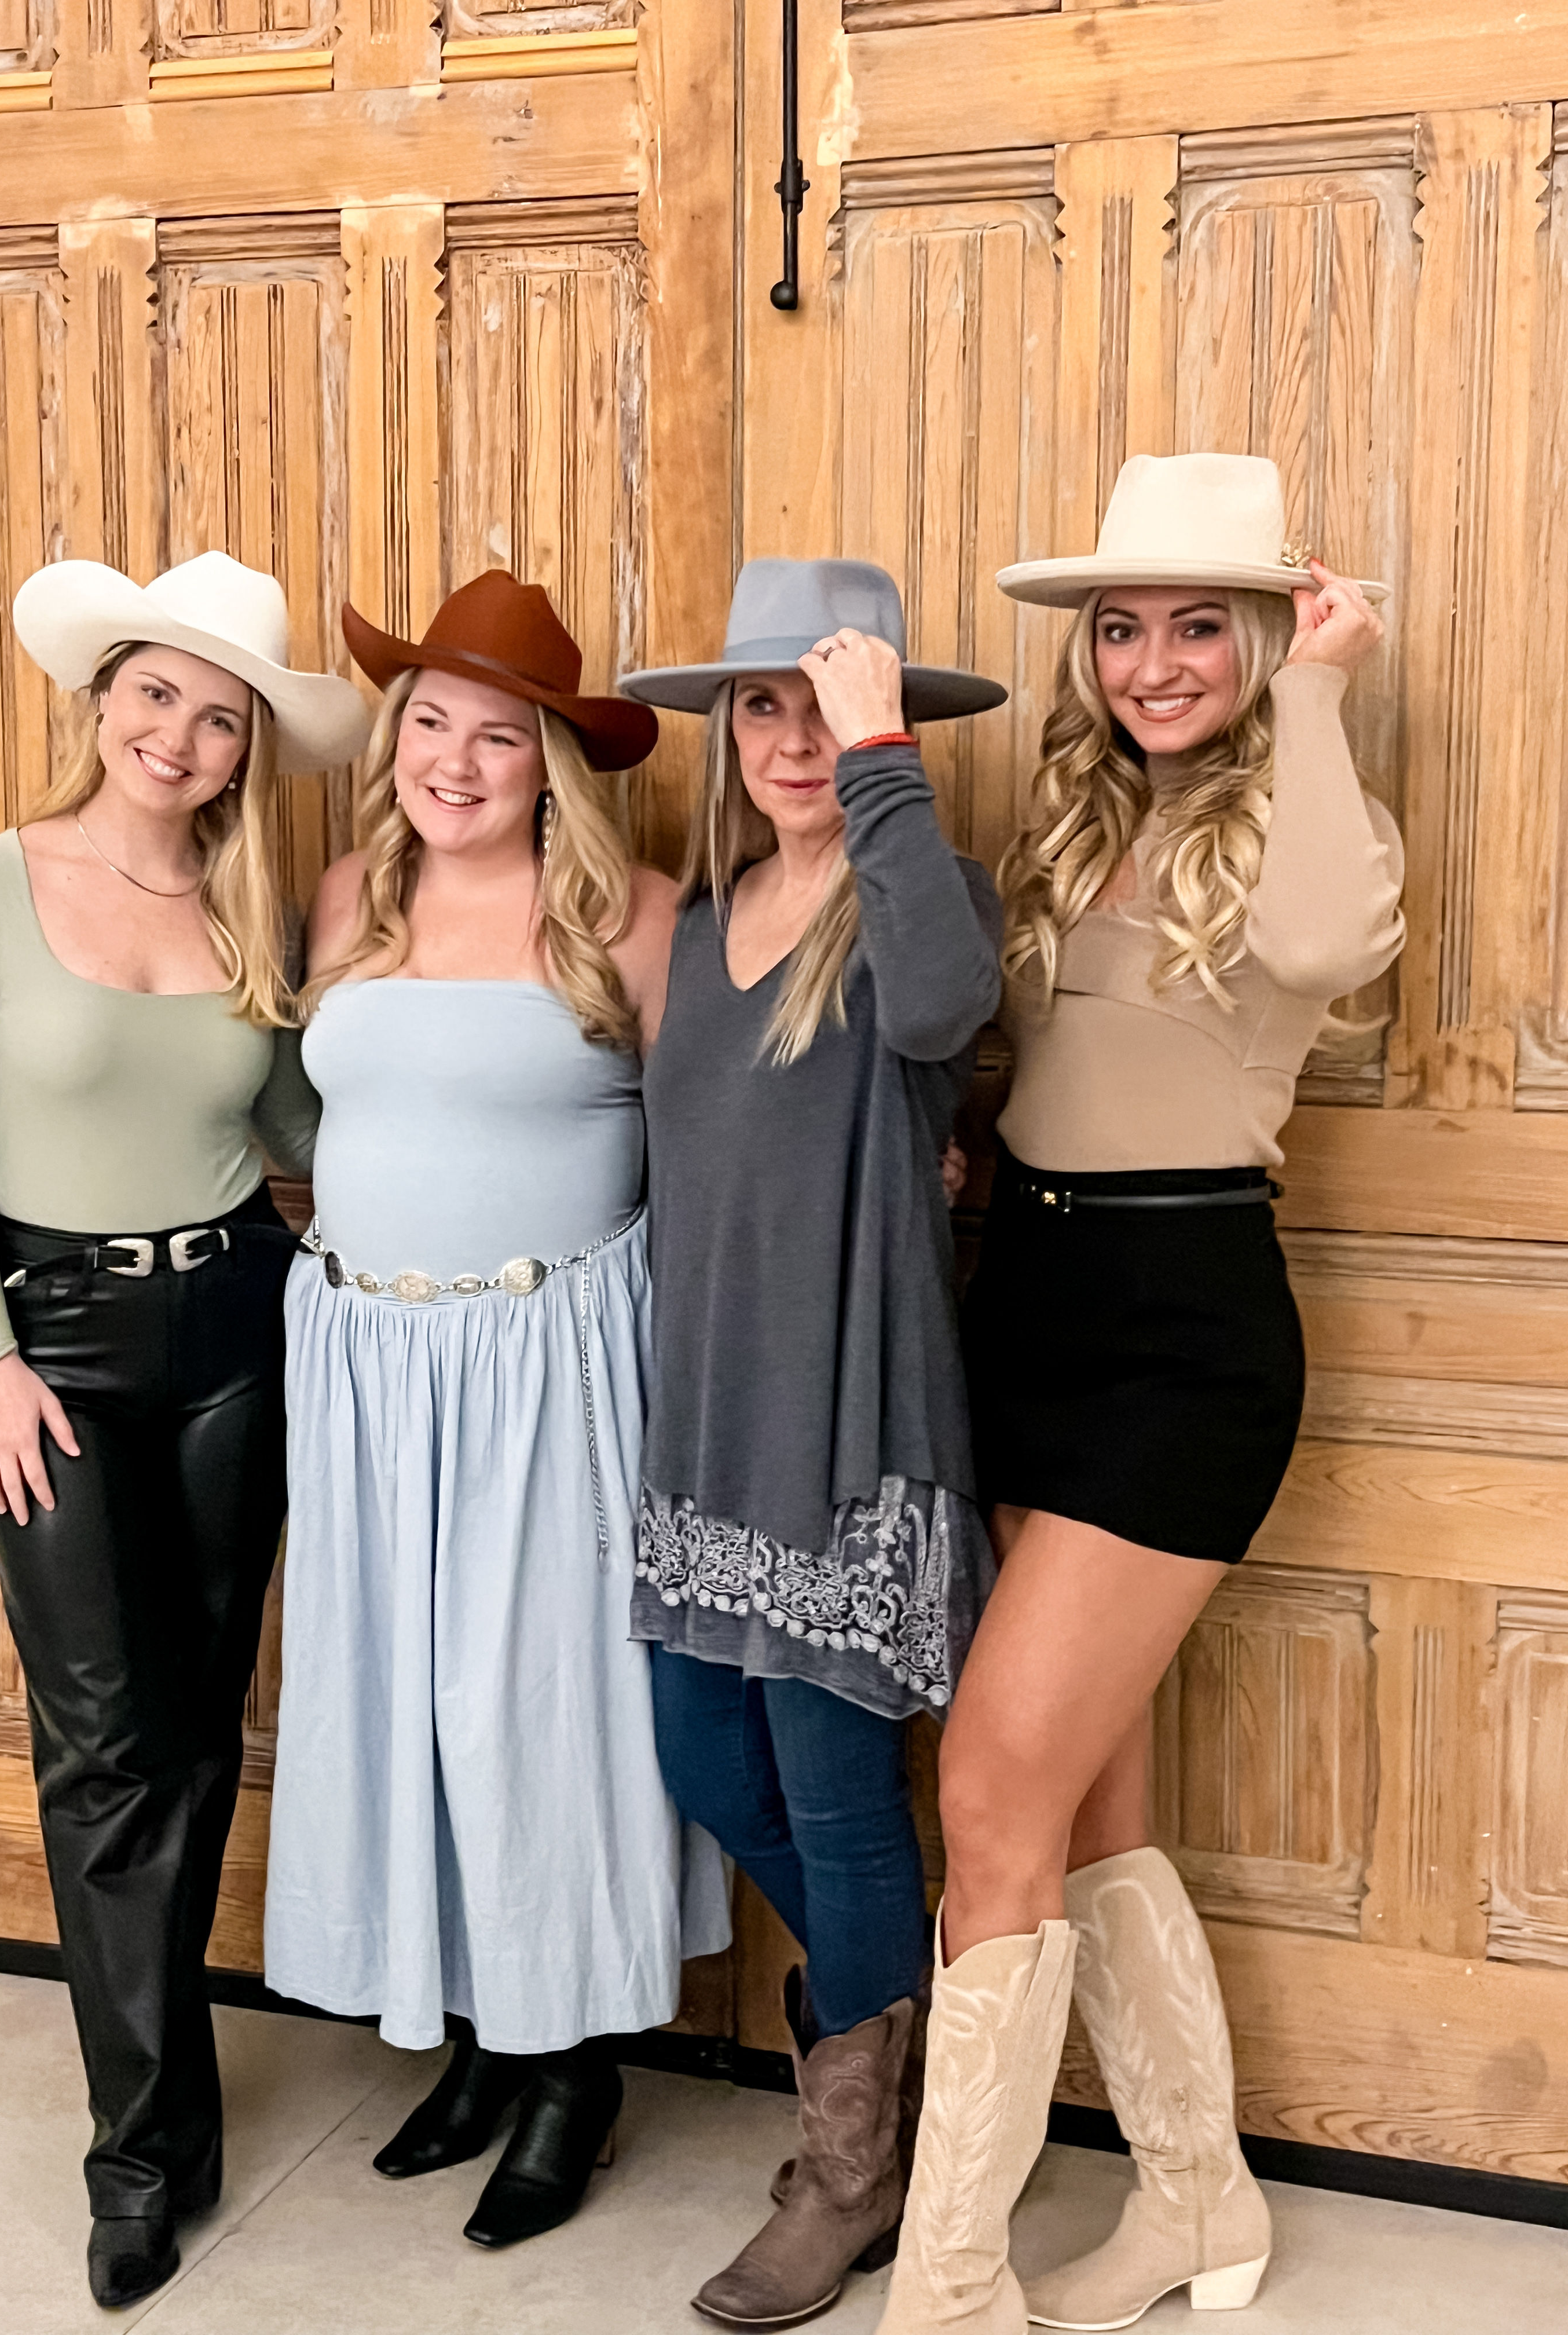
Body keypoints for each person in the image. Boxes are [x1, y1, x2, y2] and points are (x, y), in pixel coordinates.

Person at [880, 453, 1406, 2334]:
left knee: (987, 1791)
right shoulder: (1075, 819)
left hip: (1186, 1336)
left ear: (1262, 639)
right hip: (1025, 1302)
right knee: (1079, 1800)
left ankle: (948, 2290)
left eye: (1201, 627)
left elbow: (1328, 954)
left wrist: (1324, 688)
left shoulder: (1307, 811)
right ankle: (1195, 2196)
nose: (1155, 663)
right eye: (1121, 628)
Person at [0, 551, 369, 2309]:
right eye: (157, 694)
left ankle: (167, 2100)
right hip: (60, 1353)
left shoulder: (253, 917)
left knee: (197, 1728)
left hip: (242, 1326)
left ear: (247, 751)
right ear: (104, 702)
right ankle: (142, 2152)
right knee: (104, 1740)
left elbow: (309, 1127)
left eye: (221, 717)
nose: (181, 735)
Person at [262, 570, 728, 2251]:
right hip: (371, 1370)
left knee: (542, 1703)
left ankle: (571, 2068)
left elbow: (718, 1153)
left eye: (500, 737)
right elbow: (307, 1121)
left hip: (556, 1367)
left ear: (555, 765)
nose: (454, 763)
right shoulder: (347, 902)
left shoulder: (639, 920)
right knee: (407, 1694)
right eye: (431, 726)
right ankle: (473, 2033)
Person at [618, 558, 1005, 2329]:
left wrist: (876, 759)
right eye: (760, 706)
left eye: (824, 704)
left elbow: (937, 1016)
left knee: (843, 1803)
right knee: (711, 1766)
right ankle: (897, 2040)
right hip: (708, 1427)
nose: (789, 738)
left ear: (883, 722)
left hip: (848, 1427)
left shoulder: (921, 888)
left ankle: (849, 2168)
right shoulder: (706, 925)